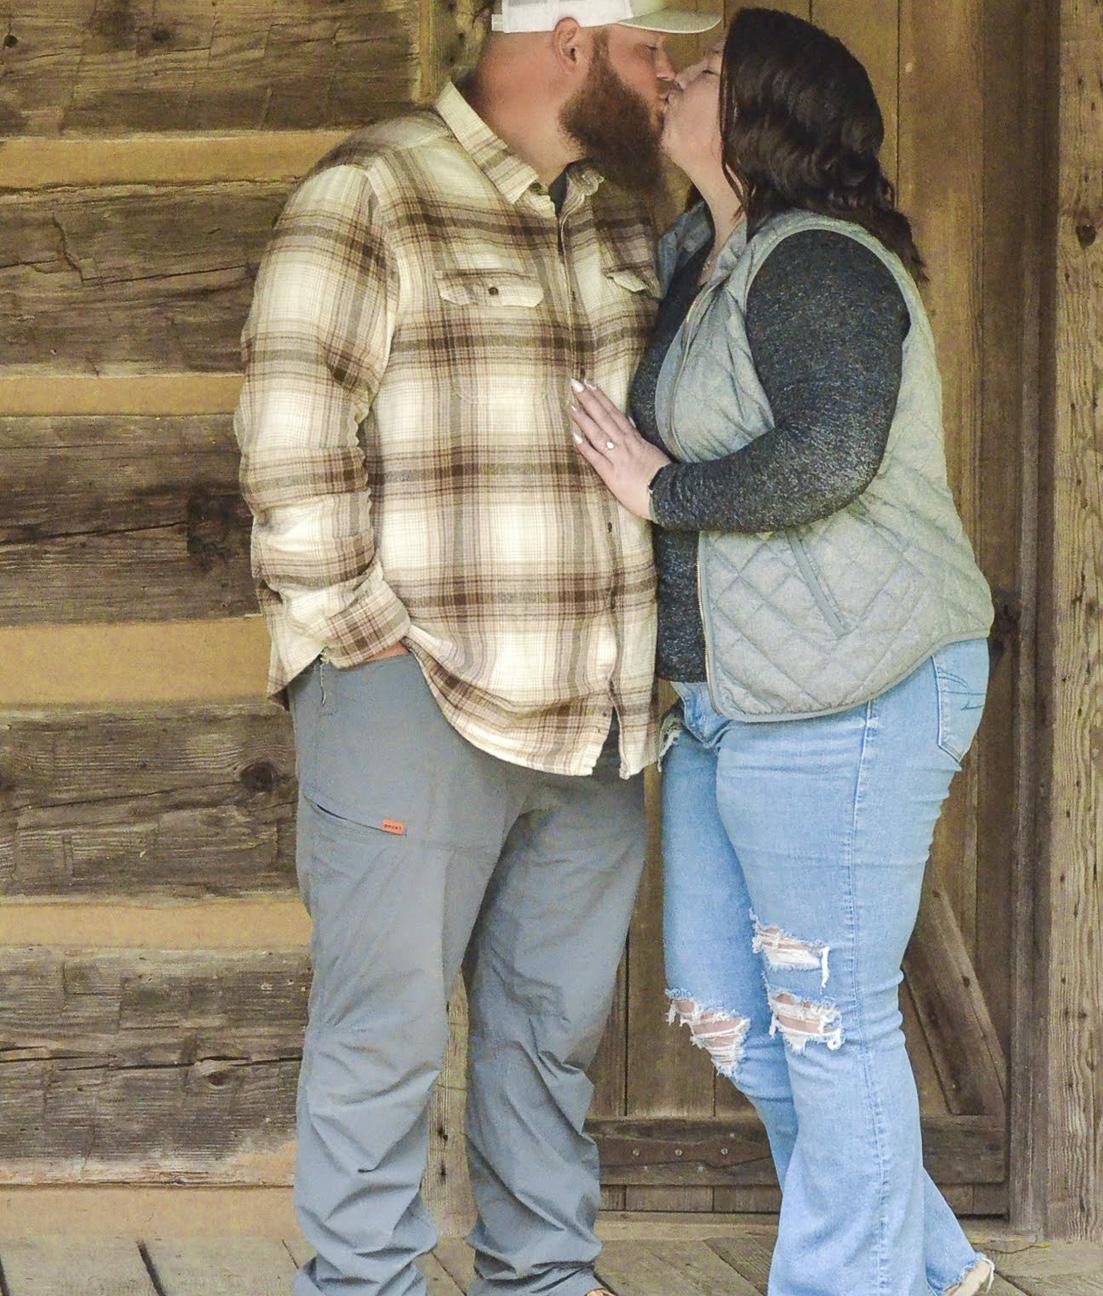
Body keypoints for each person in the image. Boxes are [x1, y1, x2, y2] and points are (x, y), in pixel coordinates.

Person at [234, 3, 719, 1295]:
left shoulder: (621, 217)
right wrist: (369, 650)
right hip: (414, 695)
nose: (669, 75)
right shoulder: (371, 193)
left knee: (546, 1049)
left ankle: (546, 1282)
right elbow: (289, 435)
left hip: (599, 720)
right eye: (652, 49)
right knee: (384, 1041)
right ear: (572, 41)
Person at [568, 9, 998, 1295]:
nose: (678, 80)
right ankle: (931, 1264)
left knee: (826, 1019)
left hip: (852, 693)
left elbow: (832, 452)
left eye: (704, 72)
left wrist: (664, 493)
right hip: (736, 701)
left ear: (758, 112)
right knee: (730, 1008)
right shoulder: (709, 257)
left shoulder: (816, 262)